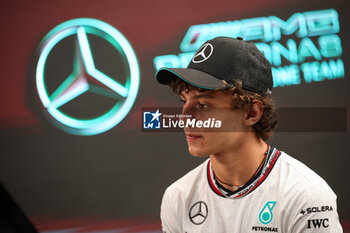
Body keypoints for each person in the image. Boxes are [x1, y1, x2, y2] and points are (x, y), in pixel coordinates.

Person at [155, 37, 343, 233]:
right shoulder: (178, 198)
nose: (185, 118)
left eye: (203, 105)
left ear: (251, 113)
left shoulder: (305, 196)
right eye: (183, 102)